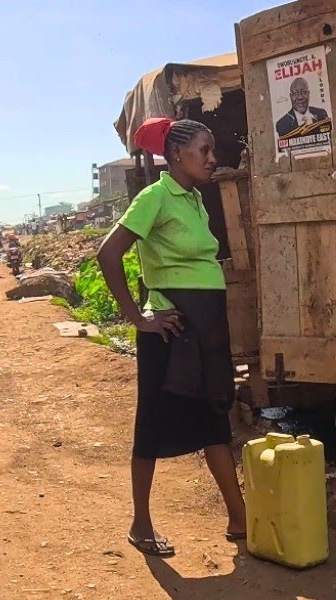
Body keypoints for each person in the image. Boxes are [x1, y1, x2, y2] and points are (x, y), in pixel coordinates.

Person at [96, 117, 246, 557]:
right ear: (178, 153)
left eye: (211, 150)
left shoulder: (196, 200)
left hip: (205, 328)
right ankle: (141, 524)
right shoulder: (155, 197)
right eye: (204, 150)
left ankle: (238, 518)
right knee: (153, 427)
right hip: (172, 330)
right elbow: (108, 254)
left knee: (215, 418)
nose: (212, 158)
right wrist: (138, 319)